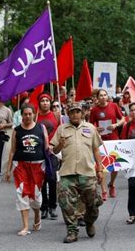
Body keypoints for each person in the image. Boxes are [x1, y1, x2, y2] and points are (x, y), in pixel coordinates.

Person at [51, 103, 104, 243]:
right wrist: (60, 145)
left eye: (77, 112)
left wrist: (100, 169)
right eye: (72, 112)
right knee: (65, 202)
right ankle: (72, 231)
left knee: (93, 203)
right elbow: (54, 150)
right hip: (67, 173)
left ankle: (89, 221)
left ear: (82, 113)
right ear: (68, 114)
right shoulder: (62, 129)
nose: (75, 114)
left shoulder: (90, 128)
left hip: (87, 172)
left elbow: (96, 150)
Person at [4, 104, 47, 236]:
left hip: (38, 165)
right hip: (21, 165)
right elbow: (12, 151)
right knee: (22, 193)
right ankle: (25, 226)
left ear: (34, 114)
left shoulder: (41, 128)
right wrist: (8, 169)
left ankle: (37, 215)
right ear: (21, 115)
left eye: (30, 114)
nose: (27, 116)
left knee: (36, 197)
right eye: (25, 114)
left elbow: (46, 148)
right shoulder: (17, 130)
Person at [89, 89, 125, 200]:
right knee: (102, 165)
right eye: (101, 95)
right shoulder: (94, 110)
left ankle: (112, 184)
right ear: (97, 97)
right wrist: (96, 128)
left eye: (105, 95)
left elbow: (123, 118)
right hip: (101, 140)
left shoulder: (113, 106)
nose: (103, 97)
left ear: (107, 96)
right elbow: (90, 125)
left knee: (115, 165)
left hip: (113, 138)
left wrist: (115, 125)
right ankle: (104, 190)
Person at [36, 93, 60, 220]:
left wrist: (54, 145)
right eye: (42, 101)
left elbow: (60, 132)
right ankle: (43, 207)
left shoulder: (56, 116)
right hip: (39, 153)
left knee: (52, 179)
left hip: (53, 152)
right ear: (39, 103)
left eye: (47, 100)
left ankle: (53, 206)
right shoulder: (35, 117)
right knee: (42, 180)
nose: (45, 102)